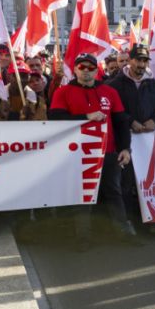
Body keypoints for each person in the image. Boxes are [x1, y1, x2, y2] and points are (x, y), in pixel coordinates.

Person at [49, 53, 140, 251]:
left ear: (96, 69)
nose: (86, 71)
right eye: (82, 67)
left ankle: (123, 233)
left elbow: (121, 122)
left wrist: (125, 148)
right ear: (74, 69)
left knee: (114, 192)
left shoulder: (109, 91)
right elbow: (56, 118)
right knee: (83, 195)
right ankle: (83, 237)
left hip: (108, 151)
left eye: (90, 67)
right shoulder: (63, 92)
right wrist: (85, 117)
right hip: (77, 154)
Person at [108, 44, 155, 235]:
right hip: (125, 142)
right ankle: (129, 224)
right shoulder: (115, 84)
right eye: (138, 60)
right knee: (126, 184)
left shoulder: (153, 84)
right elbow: (111, 110)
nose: (141, 64)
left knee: (152, 182)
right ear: (130, 60)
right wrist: (130, 121)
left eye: (145, 60)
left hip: (149, 144)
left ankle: (154, 220)